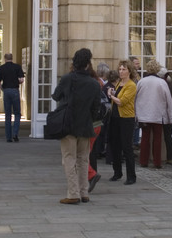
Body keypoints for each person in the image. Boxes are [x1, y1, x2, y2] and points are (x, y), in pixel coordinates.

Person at [52, 48, 103, 204]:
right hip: (85, 125)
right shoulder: (94, 84)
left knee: (69, 158)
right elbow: (96, 108)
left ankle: (73, 193)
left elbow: (56, 96)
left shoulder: (68, 78)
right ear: (88, 64)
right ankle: (84, 192)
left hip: (68, 124)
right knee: (83, 159)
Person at [135, 59, 172, 169]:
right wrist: (171, 117)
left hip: (144, 115)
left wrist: (137, 114)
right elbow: (169, 101)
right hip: (158, 115)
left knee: (145, 139)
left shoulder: (142, 81)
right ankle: (157, 162)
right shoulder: (162, 83)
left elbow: (136, 99)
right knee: (157, 139)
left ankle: (143, 161)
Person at [109, 60, 139, 184]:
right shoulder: (119, 83)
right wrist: (112, 93)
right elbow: (117, 98)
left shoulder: (131, 85)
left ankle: (131, 176)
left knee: (127, 147)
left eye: (124, 69)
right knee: (114, 146)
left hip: (126, 118)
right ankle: (117, 172)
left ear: (129, 71)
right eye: (120, 69)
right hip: (115, 117)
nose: (121, 72)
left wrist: (111, 96)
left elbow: (122, 101)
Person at [0, 53, 25, 142]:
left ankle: (8, 137)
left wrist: (3, 89)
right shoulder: (17, 67)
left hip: (6, 91)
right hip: (15, 90)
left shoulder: (1, 68)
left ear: (5, 58)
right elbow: (21, 80)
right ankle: (15, 133)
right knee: (17, 113)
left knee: (8, 114)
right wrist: (16, 83)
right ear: (12, 58)